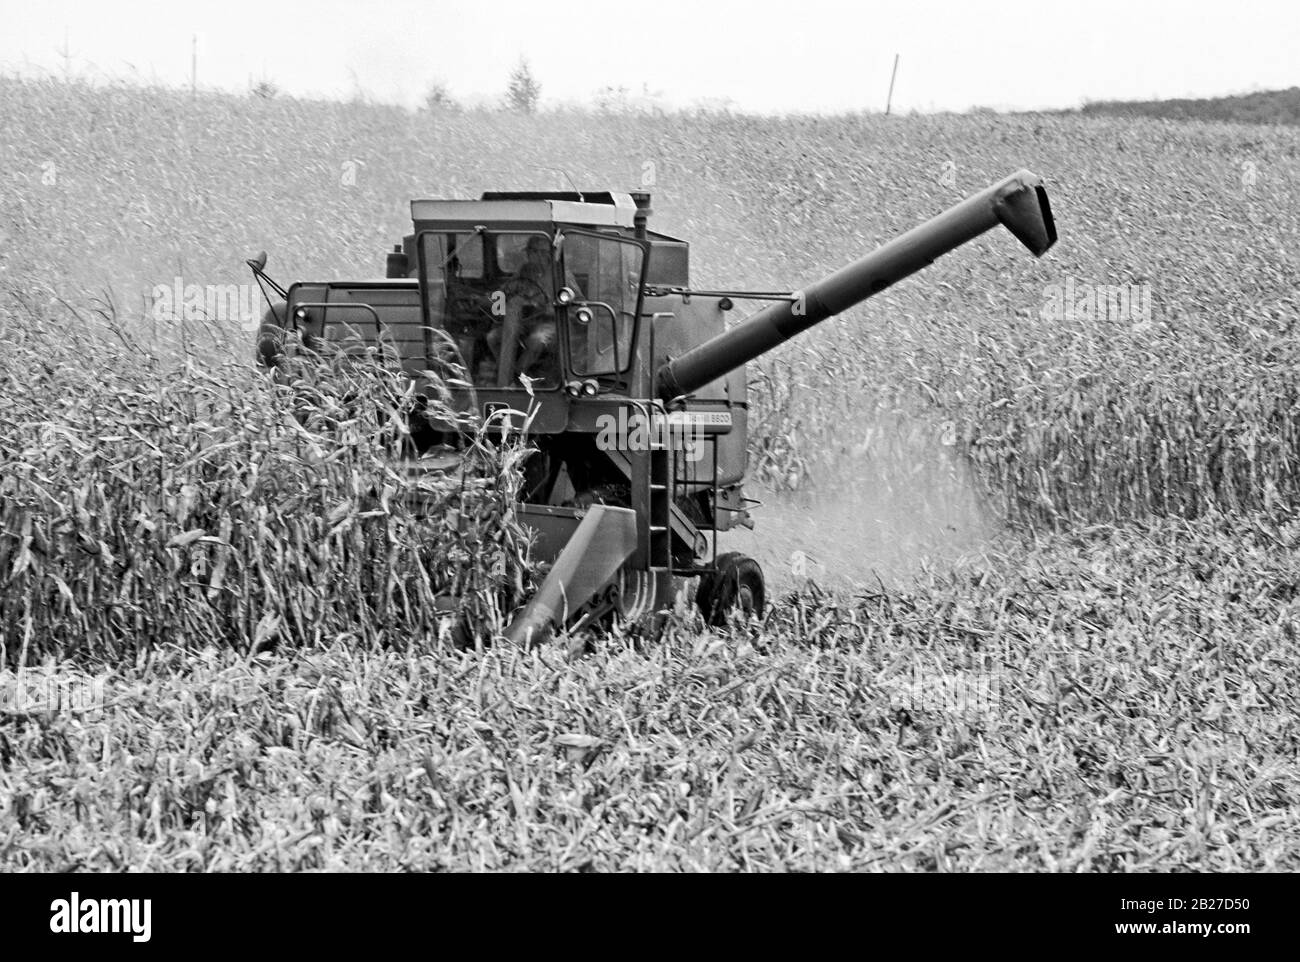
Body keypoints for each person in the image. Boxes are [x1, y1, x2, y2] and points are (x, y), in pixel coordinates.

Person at [486, 261, 557, 385]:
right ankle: (508, 373)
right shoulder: (524, 270)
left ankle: (518, 375)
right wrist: (488, 299)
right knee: (493, 337)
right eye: (532, 251)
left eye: (540, 251)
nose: (536, 256)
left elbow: (576, 304)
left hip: (550, 322)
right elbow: (503, 293)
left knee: (537, 340)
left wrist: (550, 308)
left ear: (548, 253)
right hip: (522, 320)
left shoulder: (561, 274)